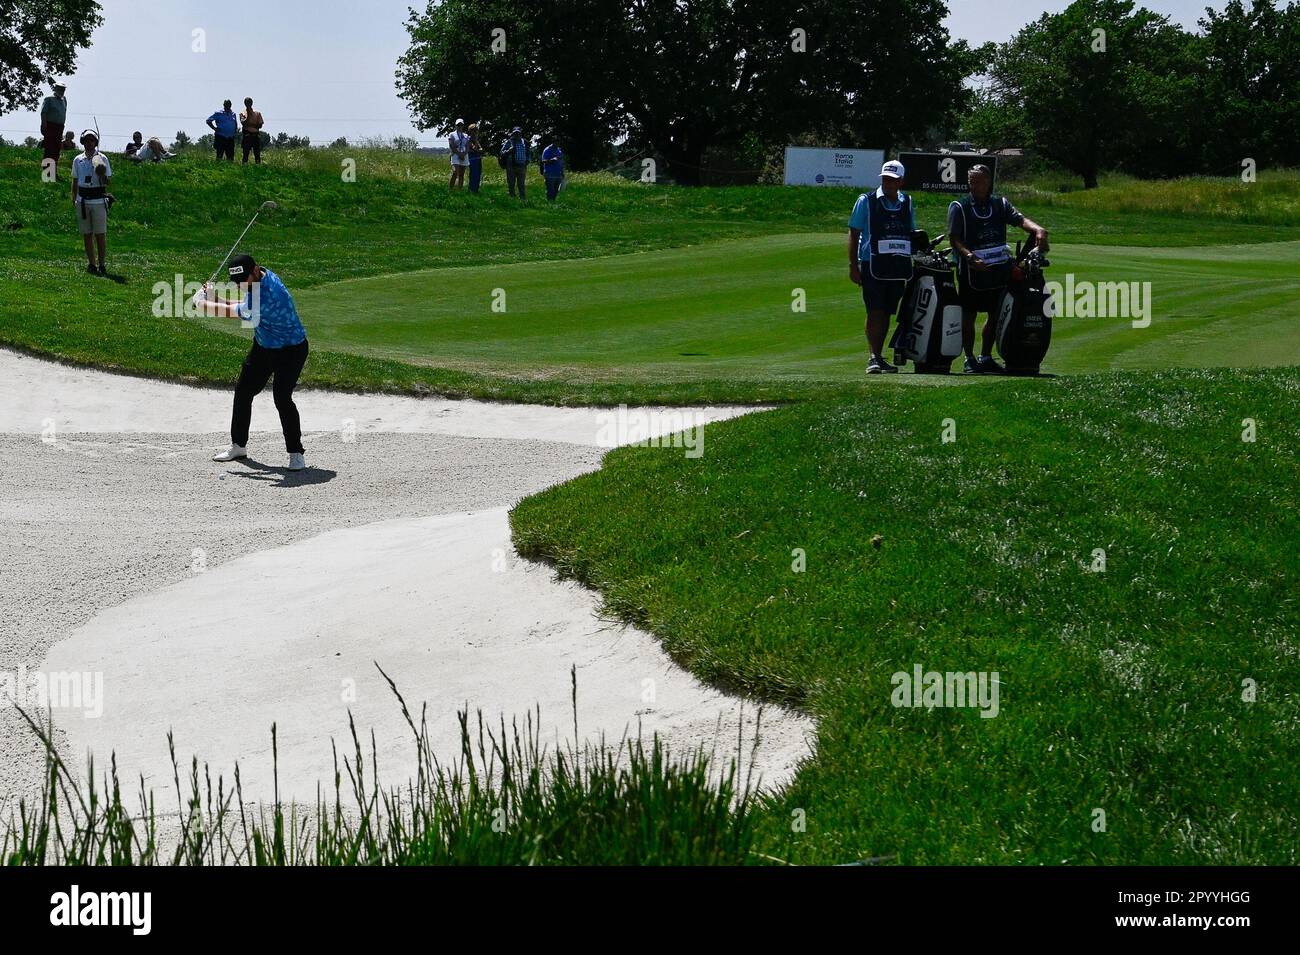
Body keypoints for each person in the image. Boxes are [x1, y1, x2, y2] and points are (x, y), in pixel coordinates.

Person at [192, 254, 310, 471]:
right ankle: (238, 446)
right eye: (236, 282)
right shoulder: (259, 280)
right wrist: (214, 298)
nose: (239, 285)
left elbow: (235, 313)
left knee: (282, 398)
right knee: (243, 391)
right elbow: (242, 306)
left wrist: (203, 303)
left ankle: (296, 453)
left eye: (242, 280)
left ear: (255, 271)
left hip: (291, 350)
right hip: (264, 347)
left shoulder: (269, 293)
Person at [947, 164, 1050, 374]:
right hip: (972, 270)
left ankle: (985, 356)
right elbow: (954, 238)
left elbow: (1020, 220)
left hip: (998, 270)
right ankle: (969, 358)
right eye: (972, 182)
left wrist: (1037, 229)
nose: (976, 186)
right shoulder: (959, 206)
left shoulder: (999, 204)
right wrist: (968, 256)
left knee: (995, 314)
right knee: (969, 315)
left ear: (989, 182)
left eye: (980, 182)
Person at [848, 160, 916, 374]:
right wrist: (853, 265)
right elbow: (854, 232)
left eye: (892, 180)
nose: (888, 183)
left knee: (887, 312)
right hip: (872, 263)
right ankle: (873, 357)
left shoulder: (907, 202)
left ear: (900, 182)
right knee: (875, 310)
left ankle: (879, 356)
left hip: (896, 265)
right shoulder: (866, 201)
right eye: (885, 179)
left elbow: (911, 231)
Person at [70, 130, 112, 275]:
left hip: (98, 200)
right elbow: (75, 180)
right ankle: (91, 263)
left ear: (95, 142)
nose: (89, 143)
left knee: (100, 234)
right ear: (83, 142)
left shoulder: (102, 158)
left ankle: (102, 264)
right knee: (86, 234)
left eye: (92, 140)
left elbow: (108, 181)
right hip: (82, 200)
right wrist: (74, 198)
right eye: (87, 140)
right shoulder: (77, 159)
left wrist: (101, 172)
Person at [40, 83, 68, 175]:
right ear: (55, 88)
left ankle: (53, 173)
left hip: (59, 127)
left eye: (63, 89)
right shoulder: (49, 99)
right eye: (60, 88)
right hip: (50, 126)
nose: (62, 91)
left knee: (56, 150)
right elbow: (44, 113)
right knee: (49, 149)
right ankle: (46, 172)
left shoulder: (64, 100)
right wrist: (44, 125)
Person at [500, 127, 529, 200]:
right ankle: (512, 199)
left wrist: (528, 160)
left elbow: (528, 153)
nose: (517, 134)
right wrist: (509, 151)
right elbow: (501, 153)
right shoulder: (509, 142)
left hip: (522, 166)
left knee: (521, 184)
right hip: (511, 166)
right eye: (515, 133)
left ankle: (523, 199)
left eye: (518, 133)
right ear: (513, 134)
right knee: (511, 184)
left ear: (520, 133)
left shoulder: (525, 142)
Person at [239, 97, 265, 164]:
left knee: (257, 154)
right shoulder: (242, 113)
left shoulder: (257, 113)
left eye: (249, 102)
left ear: (252, 103)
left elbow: (260, 125)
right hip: (247, 136)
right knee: (245, 154)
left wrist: (250, 125)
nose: (248, 104)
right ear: (245, 104)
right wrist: (248, 115)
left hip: (255, 136)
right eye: (247, 103)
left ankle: (258, 168)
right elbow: (243, 123)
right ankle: (244, 168)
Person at [541, 138, 564, 202]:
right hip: (549, 172)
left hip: (558, 173)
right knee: (550, 189)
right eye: (557, 141)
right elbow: (543, 161)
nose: (558, 143)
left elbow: (561, 162)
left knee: (556, 189)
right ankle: (549, 202)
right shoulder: (547, 149)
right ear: (553, 142)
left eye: (559, 142)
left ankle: (553, 202)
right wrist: (552, 160)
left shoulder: (559, 150)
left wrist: (562, 172)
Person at [448, 118, 469, 188]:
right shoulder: (452, 134)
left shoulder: (466, 135)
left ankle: (460, 190)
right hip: (455, 155)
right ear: (455, 126)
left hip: (464, 155)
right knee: (455, 172)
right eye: (458, 125)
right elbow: (452, 146)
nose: (460, 126)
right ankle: (450, 189)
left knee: (461, 174)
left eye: (461, 125)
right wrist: (459, 154)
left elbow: (467, 146)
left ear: (463, 126)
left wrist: (464, 154)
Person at [466, 123, 483, 194]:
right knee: (473, 174)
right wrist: (476, 142)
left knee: (478, 174)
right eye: (474, 130)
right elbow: (475, 148)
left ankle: (476, 189)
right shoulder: (468, 139)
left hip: (478, 158)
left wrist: (478, 149)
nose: (476, 132)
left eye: (476, 130)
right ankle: (471, 189)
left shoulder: (476, 139)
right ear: (470, 131)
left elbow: (481, 149)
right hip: (472, 159)